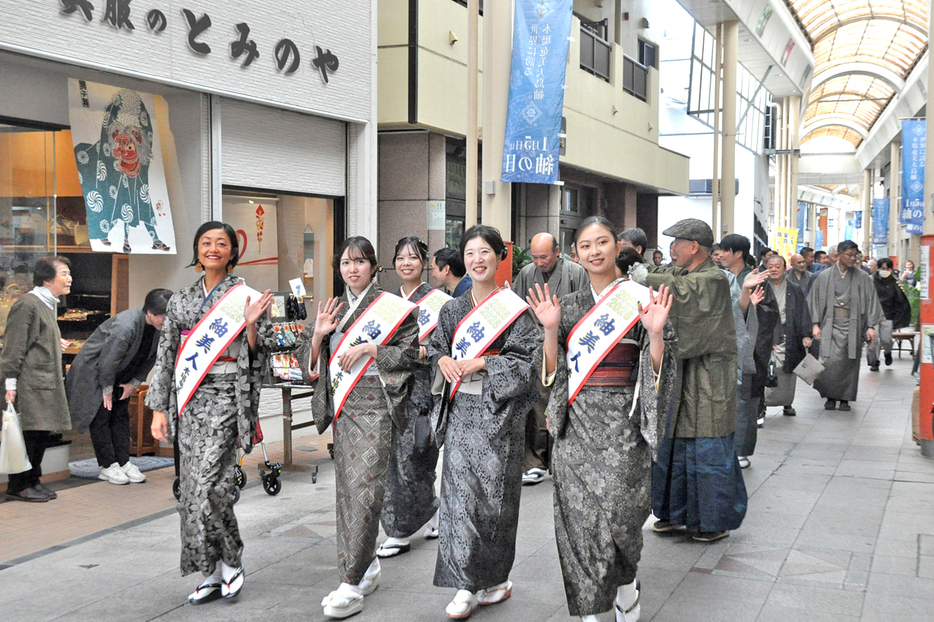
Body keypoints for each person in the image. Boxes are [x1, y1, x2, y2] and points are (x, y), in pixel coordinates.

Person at [527, 221, 676, 622]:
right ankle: (592, 606)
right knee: (579, 520)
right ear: (575, 253)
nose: (594, 251)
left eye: (602, 243)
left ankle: (625, 585)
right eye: (585, 245)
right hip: (576, 424)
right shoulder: (568, 305)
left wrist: (656, 335)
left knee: (622, 517)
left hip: (625, 425)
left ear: (617, 247)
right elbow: (550, 375)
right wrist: (551, 330)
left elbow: (661, 371)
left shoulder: (642, 299)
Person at [147, 222, 273, 604]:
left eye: (222, 243)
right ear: (197, 250)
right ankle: (212, 571)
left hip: (226, 396)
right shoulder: (180, 300)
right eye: (206, 242)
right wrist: (157, 408)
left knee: (208, 487)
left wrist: (250, 327)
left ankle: (231, 560)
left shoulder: (246, 296)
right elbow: (166, 355)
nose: (213, 248)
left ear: (233, 251)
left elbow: (263, 349)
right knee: (192, 492)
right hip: (189, 397)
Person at [296, 236, 419, 619]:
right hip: (344, 407)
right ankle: (366, 567)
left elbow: (411, 354)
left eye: (360, 262)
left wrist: (371, 349)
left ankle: (349, 583)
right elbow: (309, 367)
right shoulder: (332, 308)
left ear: (373, 267)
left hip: (377, 407)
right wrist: (317, 334)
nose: (352, 270)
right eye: (346, 263)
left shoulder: (393, 308)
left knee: (366, 491)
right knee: (348, 492)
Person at [428, 225, 539, 619]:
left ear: (498, 257)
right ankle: (464, 584)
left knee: (495, 503)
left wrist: (486, 362)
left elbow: (529, 364)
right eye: (471, 252)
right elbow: (436, 347)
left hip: (499, 418)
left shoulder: (516, 311)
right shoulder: (452, 309)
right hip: (461, 414)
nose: (478, 259)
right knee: (459, 500)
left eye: (485, 252)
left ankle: (495, 578)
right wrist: (440, 358)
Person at [646, 219, 746, 543]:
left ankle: (712, 520)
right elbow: (666, 280)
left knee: (706, 446)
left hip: (708, 377)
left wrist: (633, 278)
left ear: (694, 247)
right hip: (684, 373)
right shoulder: (684, 273)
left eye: (677, 242)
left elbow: (679, 292)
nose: (671, 249)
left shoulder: (714, 279)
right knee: (673, 443)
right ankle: (673, 514)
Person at [66, 288, 173, 485]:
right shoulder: (126, 326)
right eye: (164, 317)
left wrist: (132, 385)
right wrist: (107, 389)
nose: (166, 321)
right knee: (101, 418)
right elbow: (108, 361)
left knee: (120, 416)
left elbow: (150, 359)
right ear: (150, 312)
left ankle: (123, 463)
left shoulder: (158, 328)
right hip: (94, 373)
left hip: (120, 376)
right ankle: (108, 466)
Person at [377, 236, 442, 559]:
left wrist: (412, 353)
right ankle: (406, 524)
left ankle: (416, 520)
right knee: (393, 460)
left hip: (422, 387)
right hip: (390, 388)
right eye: (401, 257)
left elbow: (440, 348)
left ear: (424, 263)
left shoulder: (438, 302)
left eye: (413, 258)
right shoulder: (386, 302)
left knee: (418, 455)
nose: (406, 263)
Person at [512, 232, 588, 485]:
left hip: (567, 345)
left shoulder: (576, 273)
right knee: (535, 405)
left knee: (562, 403)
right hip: (535, 347)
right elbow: (518, 308)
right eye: (534, 257)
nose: (539, 262)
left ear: (557, 251)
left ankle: (560, 460)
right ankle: (534, 462)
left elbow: (585, 308)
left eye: (544, 256)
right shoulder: (525, 274)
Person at [1, 256, 73, 502]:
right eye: (63, 273)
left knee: (41, 434)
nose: (69, 278)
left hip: (44, 382)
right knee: (30, 435)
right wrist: (9, 385)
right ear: (46, 278)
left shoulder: (48, 303)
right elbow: (13, 347)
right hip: (29, 384)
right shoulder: (27, 305)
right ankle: (19, 484)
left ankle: (33, 479)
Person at [808, 240, 883, 411]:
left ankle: (845, 399)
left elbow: (871, 302)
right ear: (839, 255)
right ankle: (830, 397)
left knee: (849, 363)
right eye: (848, 255)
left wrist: (870, 326)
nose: (852, 258)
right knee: (827, 362)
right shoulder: (824, 276)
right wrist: (815, 325)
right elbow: (814, 303)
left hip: (853, 326)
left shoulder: (863, 277)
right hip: (830, 325)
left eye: (854, 255)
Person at [764, 255, 812, 417]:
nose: (774, 269)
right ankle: (763, 404)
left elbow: (802, 312)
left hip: (789, 333)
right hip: (768, 334)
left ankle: (787, 403)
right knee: (768, 370)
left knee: (788, 371)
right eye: (770, 266)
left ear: (785, 269)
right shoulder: (761, 287)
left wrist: (806, 334)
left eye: (778, 266)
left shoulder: (794, 288)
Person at [867, 258, 912, 370]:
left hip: (888, 315)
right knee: (874, 340)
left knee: (887, 340)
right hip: (873, 315)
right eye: (883, 268)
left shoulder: (894, 282)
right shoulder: (870, 280)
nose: (885, 271)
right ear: (878, 268)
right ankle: (874, 362)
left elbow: (900, 300)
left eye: (887, 269)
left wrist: (898, 318)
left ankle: (888, 352)